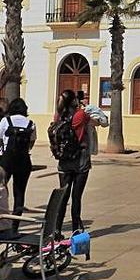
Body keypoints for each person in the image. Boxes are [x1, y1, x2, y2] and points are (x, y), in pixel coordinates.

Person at [54, 89, 92, 237]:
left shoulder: (58, 115)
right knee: (76, 197)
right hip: (80, 158)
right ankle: (75, 229)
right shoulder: (80, 115)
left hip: (64, 160)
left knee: (63, 196)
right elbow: (95, 120)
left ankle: (57, 229)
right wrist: (82, 106)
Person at [0, 98, 36, 228]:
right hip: (23, 161)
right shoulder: (31, 123)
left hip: (7, 160)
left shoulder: (5, 121)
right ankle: (15, 226)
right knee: (19, 193)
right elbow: (31, 142)